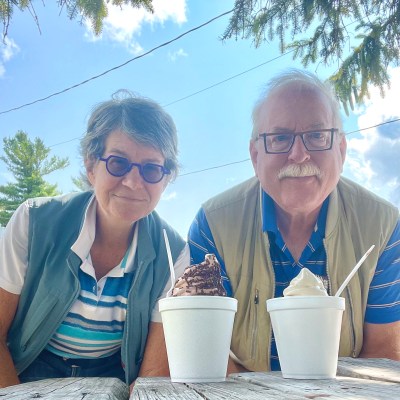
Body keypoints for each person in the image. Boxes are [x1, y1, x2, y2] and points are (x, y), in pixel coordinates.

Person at [188, 69, 400, 372]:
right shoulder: (213, 225)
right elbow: (208, 350)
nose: (299, 155)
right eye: (280, 137)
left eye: (317, 136)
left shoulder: (383, 227)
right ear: (255, 155)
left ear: (341, 150)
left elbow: (382, 353)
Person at [0, 91, 189, 388]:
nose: (133, 182)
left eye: (152, 169)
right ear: (91, 166)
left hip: (115, 377)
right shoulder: (34, 221)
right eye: (118, 163)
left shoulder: (173, 254)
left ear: (166, 179)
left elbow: (152, 373)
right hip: (29, 369)